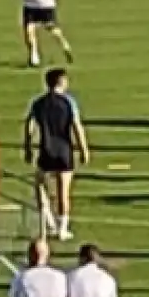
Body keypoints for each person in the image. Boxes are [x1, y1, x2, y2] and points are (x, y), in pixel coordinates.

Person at [24, 68, 90, 241]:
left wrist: (28, 147)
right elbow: (76, 126)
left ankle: (48, 220)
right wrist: (84, 149)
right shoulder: (68, 102)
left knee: (40, 186)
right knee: (63, 191)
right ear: (62, 82)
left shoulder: (38, 103)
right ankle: (62, 228)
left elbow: (29, 126)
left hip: (46, 149)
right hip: (64, 150)